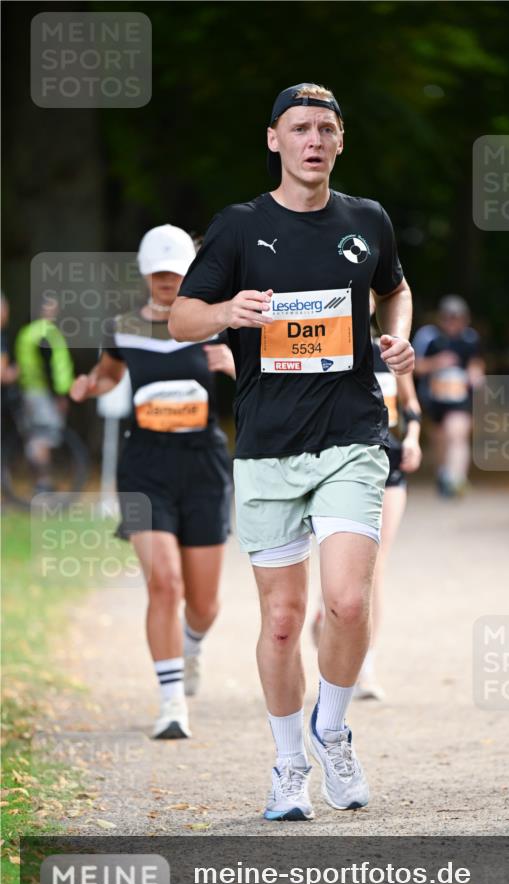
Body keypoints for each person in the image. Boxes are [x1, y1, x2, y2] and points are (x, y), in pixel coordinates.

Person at [170, 83, 414, 821]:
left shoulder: (366, 221)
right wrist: (223, 311)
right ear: (273, 139)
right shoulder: (239, 228)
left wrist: (396, 333)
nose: (313, 140)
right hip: (268, 446)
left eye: (326, 130)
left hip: (350, 436)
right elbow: (181, 316)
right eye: (299, 128)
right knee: (280, 619)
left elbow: (395, 289)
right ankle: (286, 765)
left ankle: (331, 730)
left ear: (340, 142)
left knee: (345, 601)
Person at [70, 225, 235, 740]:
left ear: (190, 271)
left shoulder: (217, 324)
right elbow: (112, 372)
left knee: (204, 604)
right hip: (144, 467)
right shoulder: (121, 327)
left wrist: (233, 363)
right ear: (145, 273)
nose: (167, 281)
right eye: (159, 273)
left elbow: (263, 377)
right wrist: (91, 384)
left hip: (203, 465)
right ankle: (170, 704)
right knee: (164, 582)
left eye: (176, 272)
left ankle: (191, 647)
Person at [312, 302, 422, 700]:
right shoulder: (323, 347)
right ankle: (330, 613)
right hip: (341, 469)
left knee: (375, 567)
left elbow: (410, 406)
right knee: (345, 568)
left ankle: (366, 667)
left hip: (389, 466)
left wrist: (412, 440)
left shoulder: (390, 350)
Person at [413, 295, 484, 497]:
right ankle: (444, 475)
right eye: (448, 318)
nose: (453, 322)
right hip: (434, 399)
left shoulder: (470, 338)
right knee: (440, 440)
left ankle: (457, 479)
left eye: (457, 318)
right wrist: (437, 363)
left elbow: (476, 362)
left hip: (459, 399)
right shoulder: (428, 337)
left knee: (458, 434)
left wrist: (475, 374)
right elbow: (416, 367)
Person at [14, 296, 74, 489]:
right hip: (42, 393)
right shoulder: (45, 333)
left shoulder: (26, 332)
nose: (53, 313)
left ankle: (37, 483)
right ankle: (43, 483)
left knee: (34, 437)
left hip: (28, 391)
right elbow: (50, 367)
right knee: (44, 437)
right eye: (49, 308)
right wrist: (60, 394)